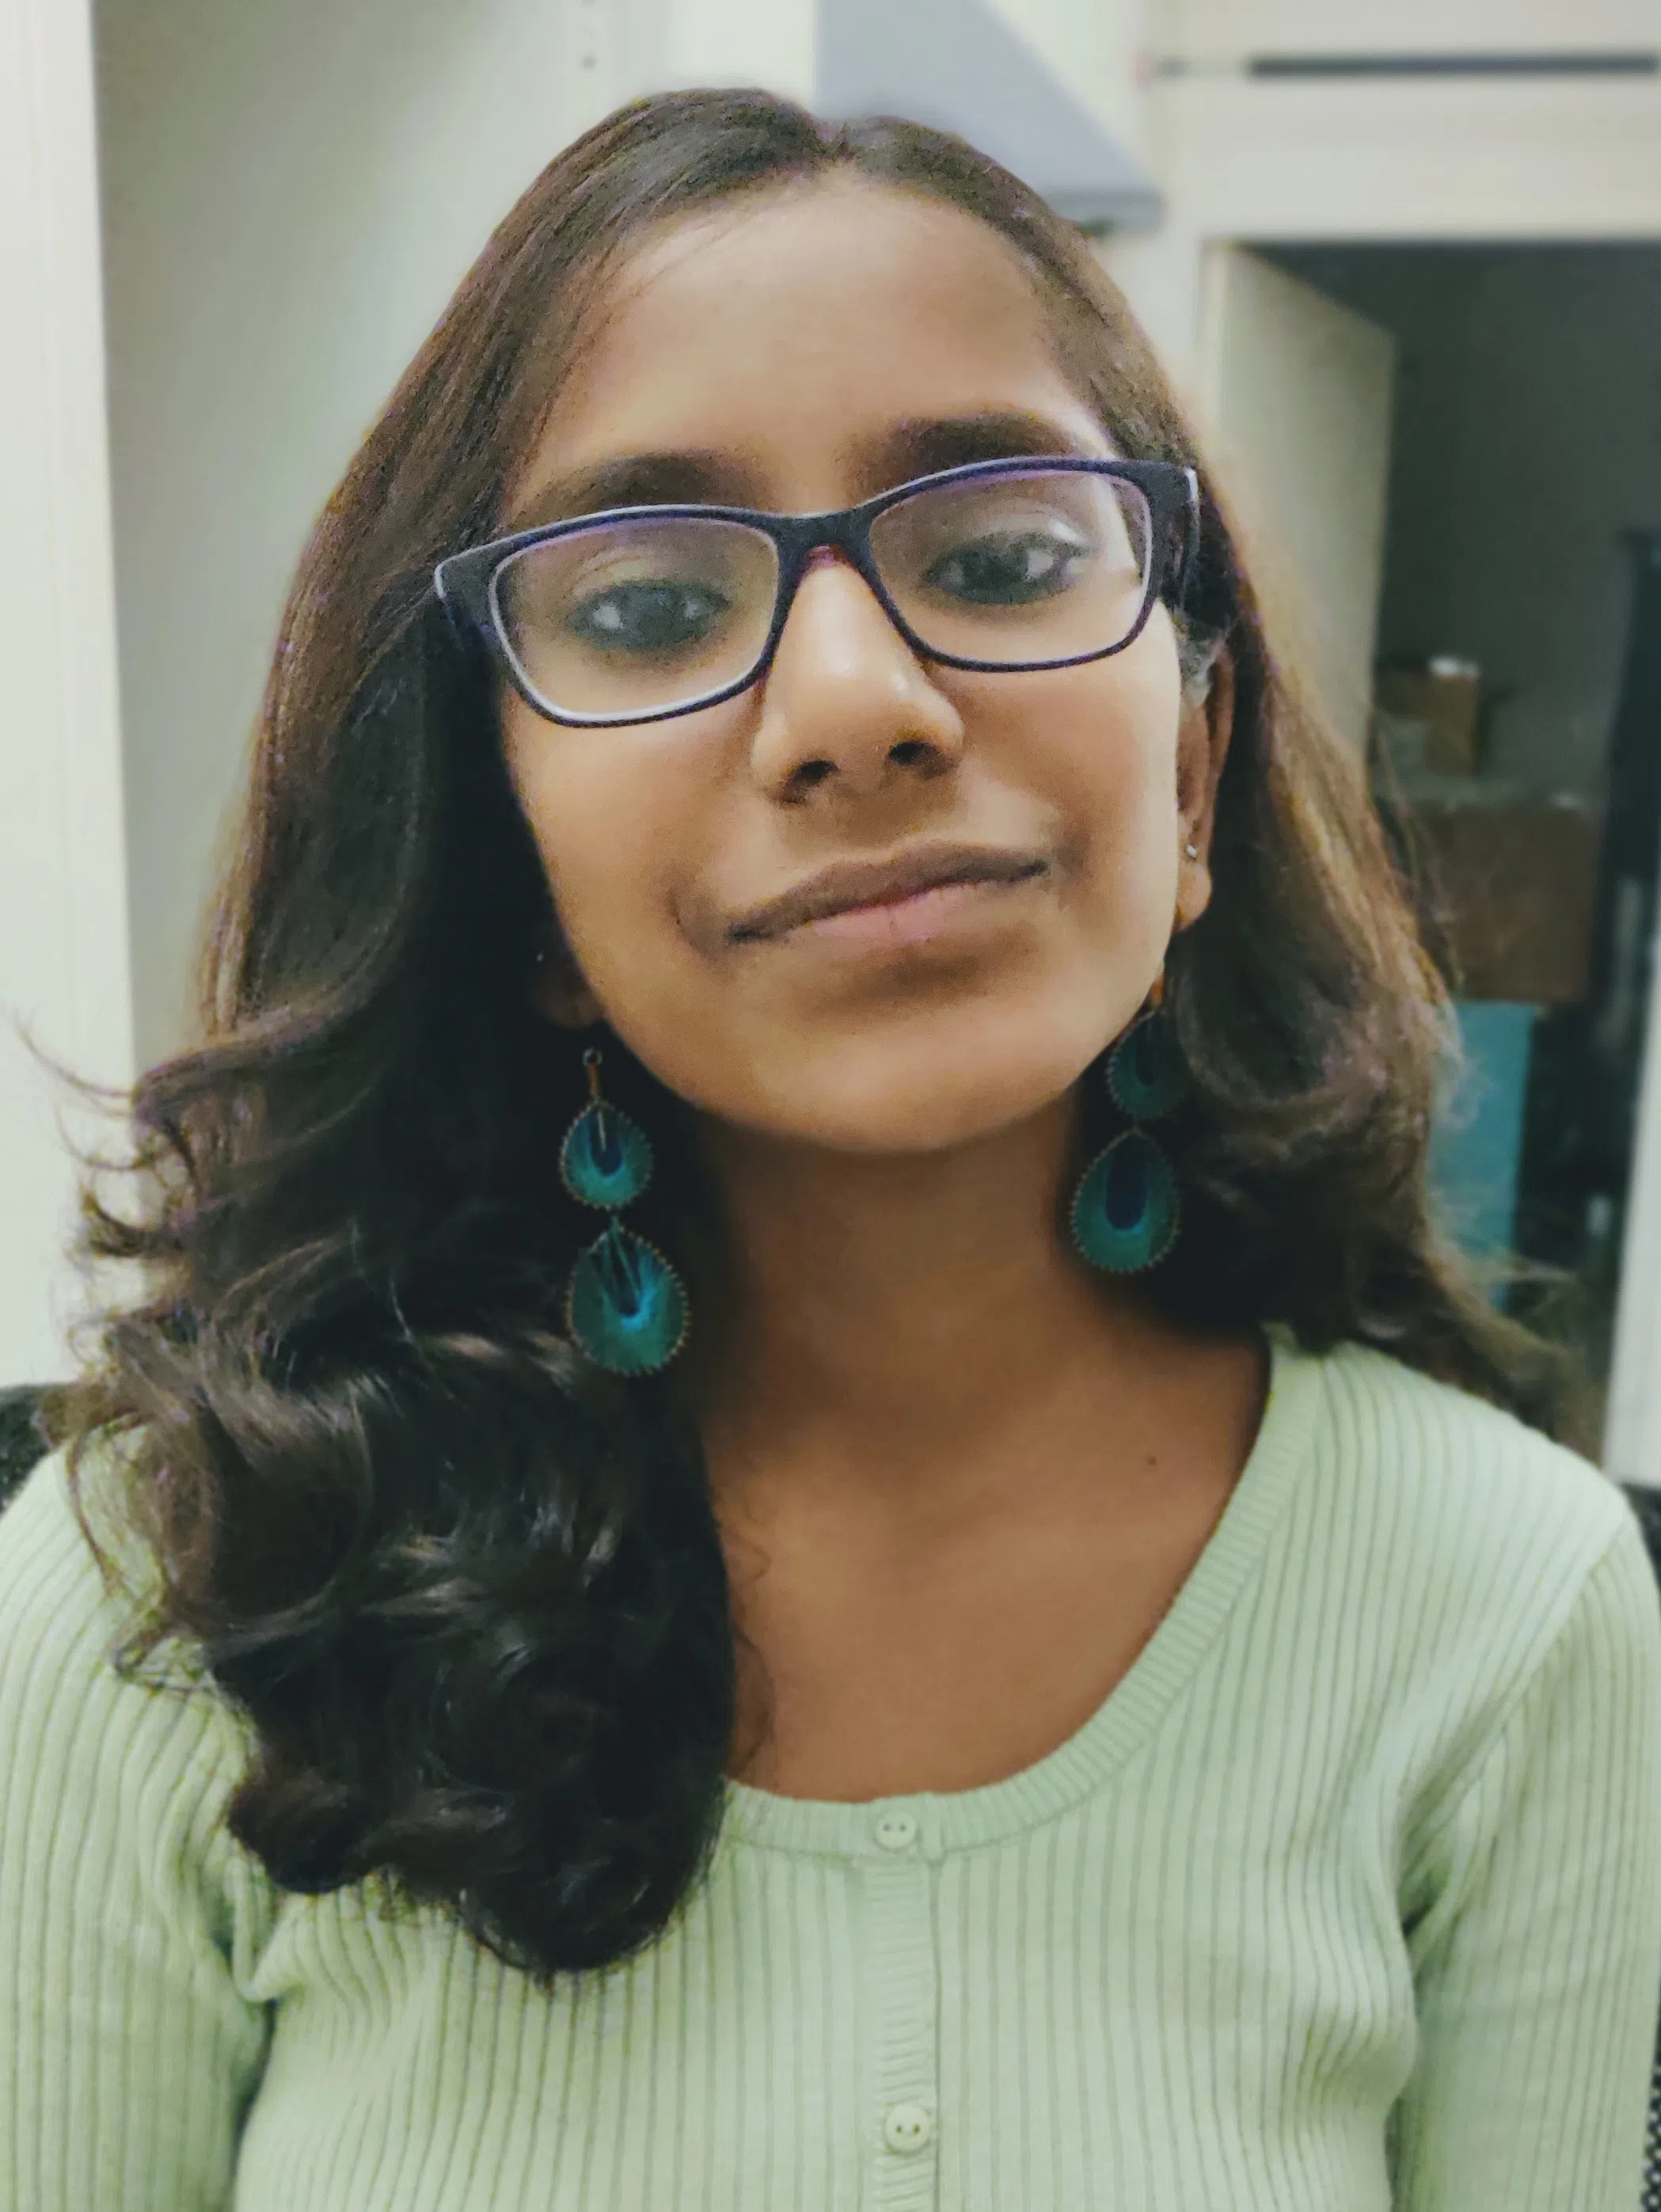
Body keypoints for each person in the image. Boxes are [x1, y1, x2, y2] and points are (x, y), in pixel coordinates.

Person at [2, 86, 1658, 2212]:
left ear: (1194, 764)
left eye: (1000, 559)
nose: (860, 701)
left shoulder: (1509, 1607)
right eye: (648, 607)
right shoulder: (174, 1595)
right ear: (514, 882)